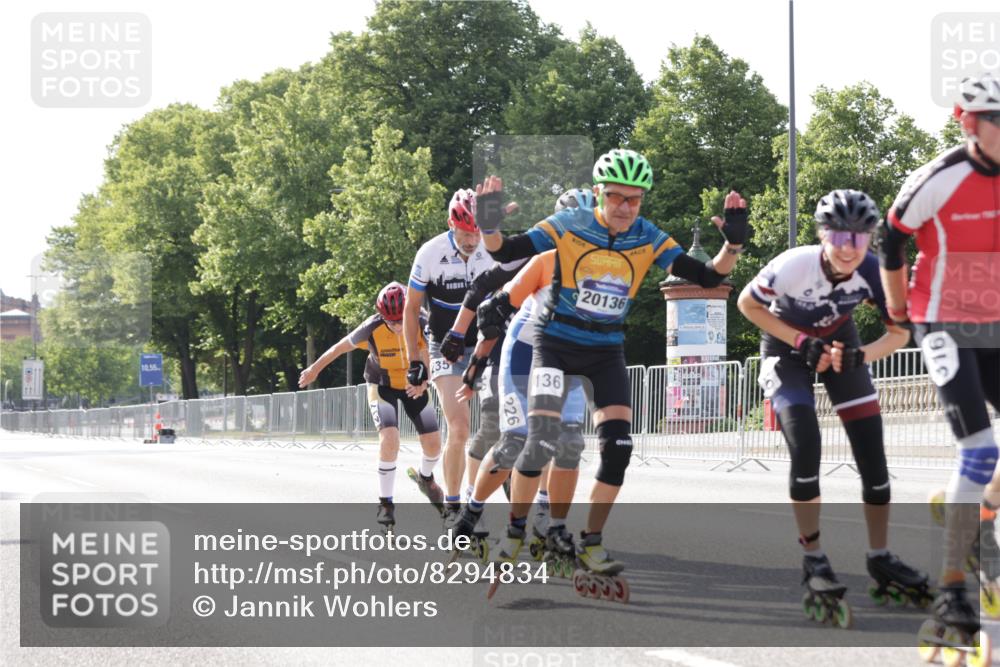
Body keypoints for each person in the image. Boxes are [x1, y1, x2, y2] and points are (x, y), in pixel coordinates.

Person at [476, 148, 748, 595]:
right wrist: (488, 224)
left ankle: (591, 541)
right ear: (600, 194)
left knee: (619, 447)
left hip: (605, 349)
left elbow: (706, 275)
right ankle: (516, 529)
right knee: (542, 439)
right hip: (557, 344)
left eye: (634, 199)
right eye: (616, 197)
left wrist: (732, 245)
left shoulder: (647, 236)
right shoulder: (569, 227)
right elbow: (506, 249)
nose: (625, 208)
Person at [738, 189, 926, 626]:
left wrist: (863, 357)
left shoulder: (876, 272)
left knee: (873, 459)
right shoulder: (793, 264)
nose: (848, 248)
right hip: (786, 347)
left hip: (844, 346)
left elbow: (899, 334)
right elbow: (748, 304)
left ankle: (880, 556)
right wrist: (802, 341)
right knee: (806, 445)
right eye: (839, 237)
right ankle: (814, 557)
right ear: (822, 234)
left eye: (860, 239)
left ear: (871, 239)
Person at [879, 72, 1000, 648]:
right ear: (970, 123)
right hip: (941, 316)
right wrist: (900, 311)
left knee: (983, 470)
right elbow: (891, 238)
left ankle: (981, 514)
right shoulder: (939, 178)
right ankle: (953, 593)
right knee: (979, 447)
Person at [449, 190, 595, 571]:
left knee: (568, 443)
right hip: (524, 353)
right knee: (515, 441)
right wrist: (476, 365)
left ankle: (551, 519)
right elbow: (493, 312)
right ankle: (470, 512)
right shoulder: (542, 261)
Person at [298, 282, 443, 530]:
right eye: (392, 321)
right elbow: (339, 348)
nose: (398, 326)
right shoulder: (371, 327)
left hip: (413, 383)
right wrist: (314, 370)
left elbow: (432, 351)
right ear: (382, 316)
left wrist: (425, 380)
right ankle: (385, 503)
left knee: (433, 443)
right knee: (390, 439)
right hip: (381, 384)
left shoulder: (421, 320)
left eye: (401, 320)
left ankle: (425, 478)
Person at [403, 189, 495, 523]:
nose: (472, 240)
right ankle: (454, 507)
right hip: (445, 346)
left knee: (498, 427)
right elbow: (412, 309)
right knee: (458, 428)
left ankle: (476, 498)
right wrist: (415, 359)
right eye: (465, 233)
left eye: (476, 233)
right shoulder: (430, 253)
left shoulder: (491, 248)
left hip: (485, 343)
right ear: (450, 225)